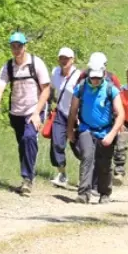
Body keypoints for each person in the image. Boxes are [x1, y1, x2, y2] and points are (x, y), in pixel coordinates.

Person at [0, 32, 50, 195]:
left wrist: (37, 112)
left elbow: (46, 90)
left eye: (19, 46)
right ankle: (27, 174)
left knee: (29, 138)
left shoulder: (36, 63)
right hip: (16, 111)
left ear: (25, 46)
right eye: (13, 46)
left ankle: (27, 179)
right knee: (23, 144)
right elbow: (0, 86)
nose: (16, 49)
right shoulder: (8, 66)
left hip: (34, 109)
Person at [66, 55, 125, 204]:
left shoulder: (111, 89)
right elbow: (73, 111)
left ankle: (104, 192)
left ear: (104, 74)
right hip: (86, 128)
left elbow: (121, 114)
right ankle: (83, 193)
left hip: (106, 130)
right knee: (87, 157)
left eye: (98, 78)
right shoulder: (81, 87)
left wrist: (112, 134)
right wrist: (70, 131)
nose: (96, 81)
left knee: (104, 163)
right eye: (93, 78)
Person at [46, 46, 80, 189]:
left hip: (76, 116)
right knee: (57, 144)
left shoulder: (79, 75)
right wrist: (48, 104)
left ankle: (89, 174)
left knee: (79, 148)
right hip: (60, 113)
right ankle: (62, 174)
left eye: (67, 58)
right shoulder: (55, 72)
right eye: (61, 58)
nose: (64, 61)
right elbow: (51, 89)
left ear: (72, 60)